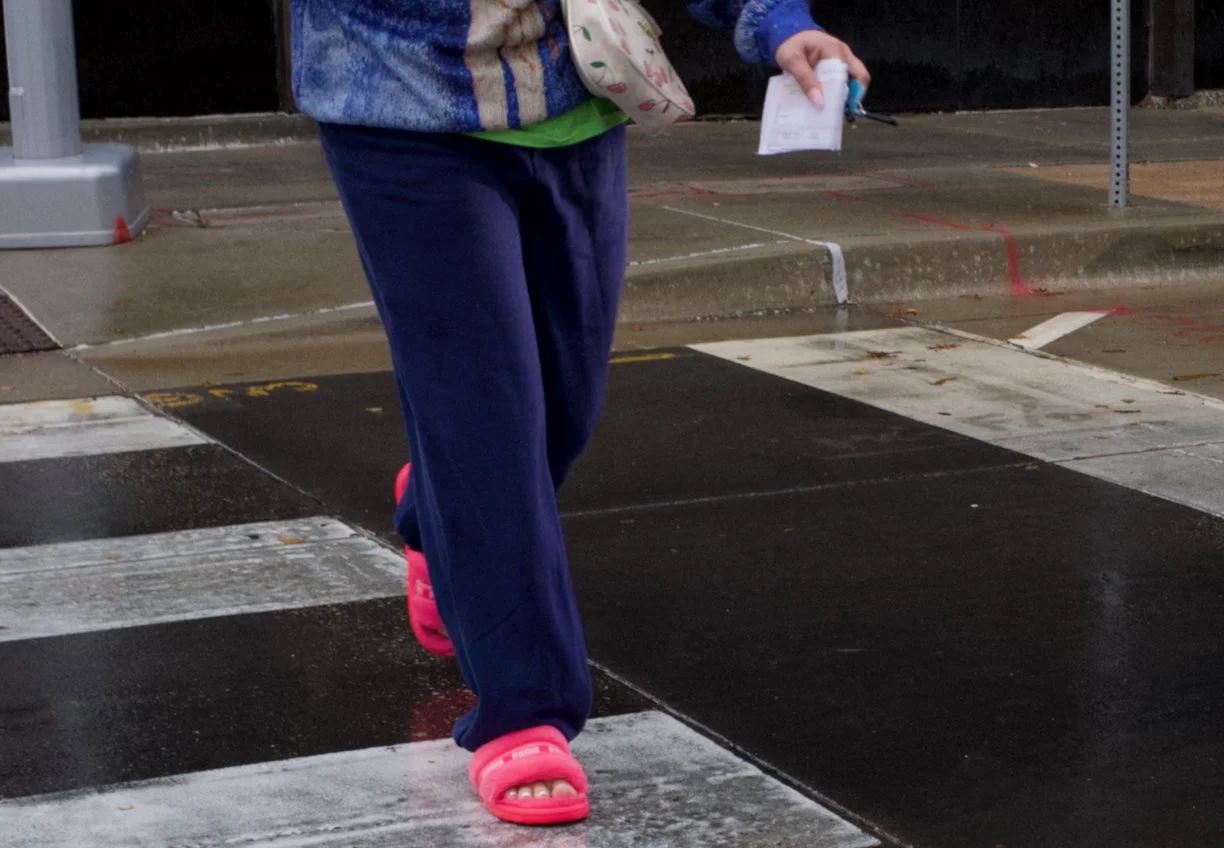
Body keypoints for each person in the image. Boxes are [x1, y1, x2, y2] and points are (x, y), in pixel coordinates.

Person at [292, 0, 869, 826]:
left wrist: (775, 20)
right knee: (486, 419)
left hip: (577, 101)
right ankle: (524, 709)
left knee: (563, 408)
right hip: (402, 107)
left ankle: (436, 507)